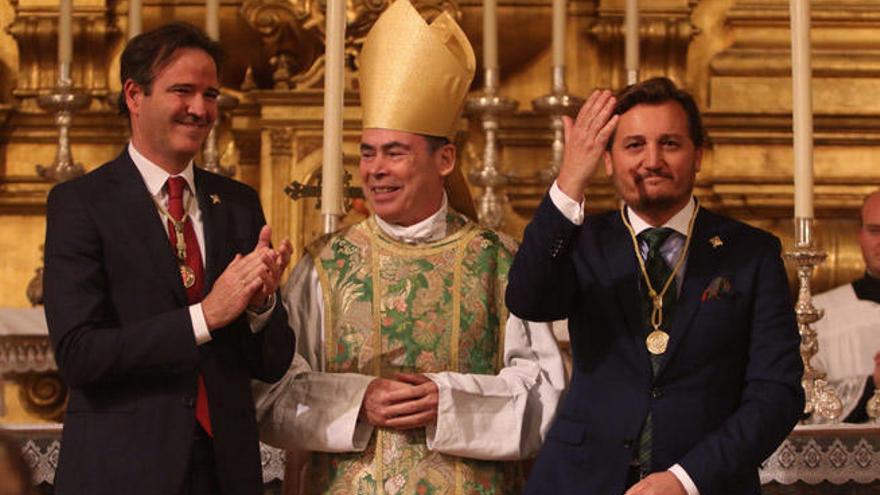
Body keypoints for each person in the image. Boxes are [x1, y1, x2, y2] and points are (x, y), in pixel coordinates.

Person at [253, 1, 565, 493]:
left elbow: (548, 397)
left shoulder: (499, 262)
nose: (375, 170)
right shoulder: (324, 266)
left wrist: (452, 401)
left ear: (444, 159)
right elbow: (271, 396)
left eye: (395, 153)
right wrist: (358, 403)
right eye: (367, 153)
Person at [505, 77, 804, 495]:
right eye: (634, 145)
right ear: (607, 160)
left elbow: (777, 393)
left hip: (704, 481)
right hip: (581, 479)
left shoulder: (750, 254)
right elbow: (527, 299)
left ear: (698, 155)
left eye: (670, 143)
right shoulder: (581, 241)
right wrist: (570, 180)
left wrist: (686, 479)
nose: (652, 160)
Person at [43, 22, 295, 495]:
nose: (200, 110)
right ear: (134, 95)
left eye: (211, 94)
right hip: (122, 469)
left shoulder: (237, 203)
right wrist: (206, 315)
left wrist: (261, 307)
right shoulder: (82, 204)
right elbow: (79, 355)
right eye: (183, 91)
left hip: (226, 469)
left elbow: (272, 364)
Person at [811, 190, 880, 423]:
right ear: (859, 236)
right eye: (875, 231)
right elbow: (804, 405)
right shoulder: (817, 315)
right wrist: (872, 386)